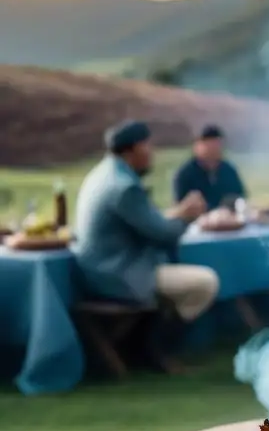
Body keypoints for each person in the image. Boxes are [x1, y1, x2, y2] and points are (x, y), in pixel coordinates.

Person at [73, 120, 220, 361]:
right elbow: (162, 235)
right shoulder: (124, 187)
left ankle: (144, 343)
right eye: (147, 146)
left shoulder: (105, 174)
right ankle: (154, 346)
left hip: (98, 271)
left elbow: (147, 222)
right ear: (131, 151)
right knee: (205, 282)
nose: (152, 152)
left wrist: (179, 213)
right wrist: (188, 216)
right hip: (120, 275)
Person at [172, 124, 247, 209]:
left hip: (228, 218)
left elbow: (241, 199)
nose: (214, 149)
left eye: (217, 144)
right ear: (197, 147)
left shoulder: (229, 171)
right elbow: (180, 206)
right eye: (209, 145)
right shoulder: (185, 174)